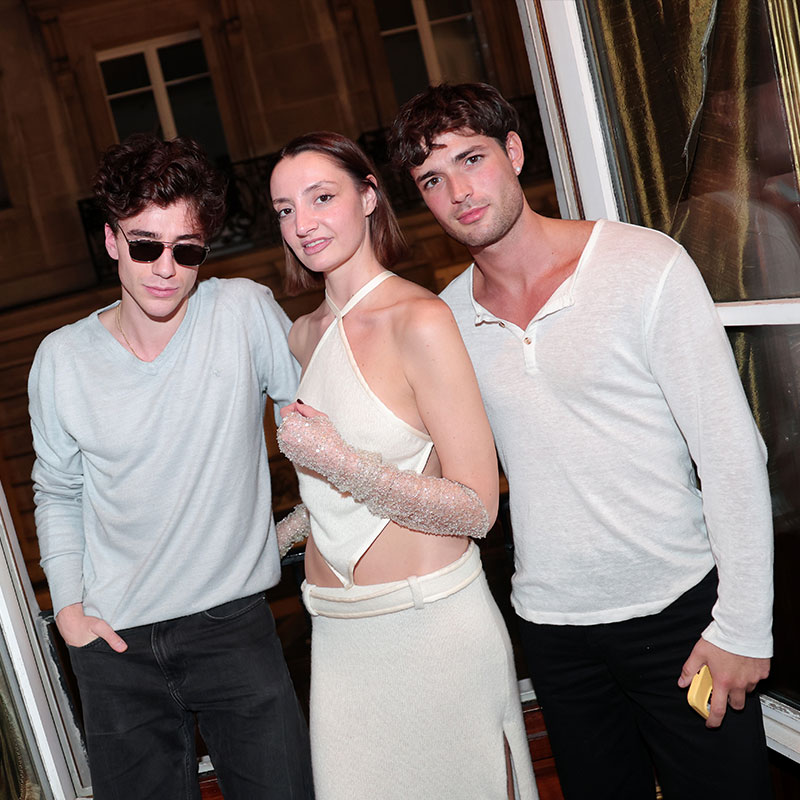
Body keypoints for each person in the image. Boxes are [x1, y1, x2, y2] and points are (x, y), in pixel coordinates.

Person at [388, 82, 774, 800]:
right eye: (432, 179)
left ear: (513, 151)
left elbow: (730, 453)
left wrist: (744, 627)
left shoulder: (642, 263)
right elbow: (438, 479)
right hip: (553, 631)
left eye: (471, 159)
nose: (459, 192)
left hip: (680, 613)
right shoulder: (445, 320)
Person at [28, 134, 314, 800]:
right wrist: (69, 610)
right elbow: (58, 491)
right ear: (111, 241)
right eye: (145, 246)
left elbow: (311, 421)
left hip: (232, 629)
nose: (165, 268)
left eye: (186, 250)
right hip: (114, 646)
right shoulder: (62, 358)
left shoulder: (242, 311)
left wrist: (321, 525)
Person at [269, 131, 538, 800]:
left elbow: (477, 507)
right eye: (285, 210)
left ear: (368, 197)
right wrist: (273, 538)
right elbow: (334, 493)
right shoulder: (302, 335)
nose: (303, 225)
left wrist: (343, 463)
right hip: (336, 634)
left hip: (432, 627)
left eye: (321, 198)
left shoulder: (419, 319)